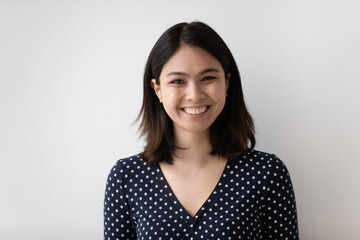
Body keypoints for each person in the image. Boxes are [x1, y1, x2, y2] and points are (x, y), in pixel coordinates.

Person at [104, 21, 299, 240]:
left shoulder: (267, 173)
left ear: (227, 82)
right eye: (178, 81)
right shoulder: (126, 177)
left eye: (207, 78)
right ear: (157, 89)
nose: (194, 94)